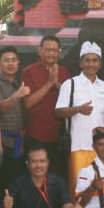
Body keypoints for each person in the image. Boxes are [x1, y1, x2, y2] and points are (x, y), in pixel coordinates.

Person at [55, 41, 104, 190]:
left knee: (100, 189)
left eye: (94, 60)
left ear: (100, 63)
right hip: (77, 147)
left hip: (100, 149)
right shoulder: (70, 84)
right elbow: (58, 111)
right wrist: (78, 109)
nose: (91, 64)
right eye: (87, 60)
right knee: (79, 189)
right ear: (81, 63)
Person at [0, 46, 31, 197]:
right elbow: (0, 108)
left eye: (14, 60)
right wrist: (17, 95)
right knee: (2, 182)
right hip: (2, 141)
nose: (11, 64)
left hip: (18, 141)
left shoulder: (18, 82)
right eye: (6, 60)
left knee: (16, 182)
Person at [21, 35, 65, 173]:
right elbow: (27, 103)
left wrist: (57, 84)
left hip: (58, 133)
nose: (51, 53)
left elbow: (68, 100)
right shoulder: (29, 71)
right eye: (47, 50)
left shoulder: (63, 71)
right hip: (36, 134)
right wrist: (49, 84)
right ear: (39, 51)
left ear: (59, 52)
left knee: (55, 174)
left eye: (55, 50)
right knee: (35, 174)